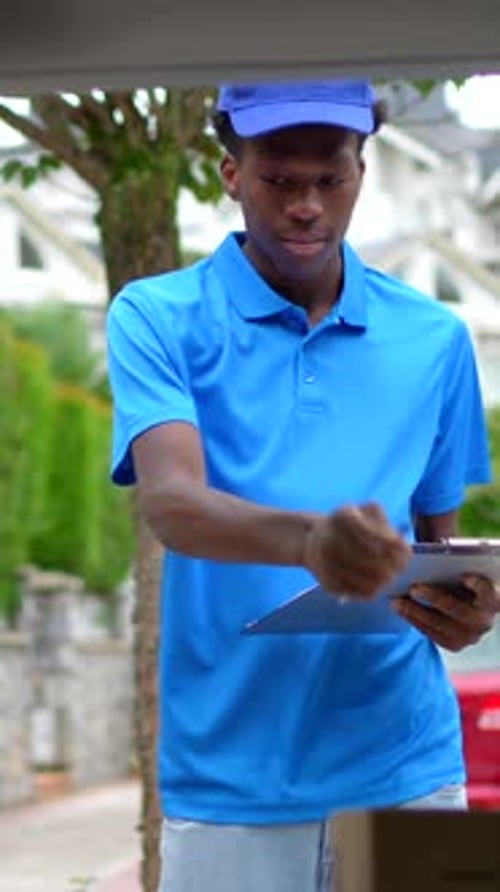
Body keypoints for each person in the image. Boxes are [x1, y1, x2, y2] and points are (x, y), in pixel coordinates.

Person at [106, 80, 499, 892]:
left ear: (363, 170)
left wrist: (464, 609)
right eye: (280, 180)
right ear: (230, 174)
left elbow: (436, 553)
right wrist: (313, 542)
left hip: (406, 773)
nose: (308, 207)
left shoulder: (436, 339)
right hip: (231, 783)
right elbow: (173, 504)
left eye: (333, 179)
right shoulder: (156, 316)